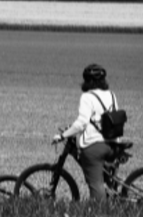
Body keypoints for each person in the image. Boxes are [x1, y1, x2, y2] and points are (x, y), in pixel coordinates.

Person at [51, 64, 118, 200]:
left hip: (95, 145)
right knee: (106, 181)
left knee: (95, 183)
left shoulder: (87, 97)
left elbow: (82, 123)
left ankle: (99, 215)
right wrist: (72, 127)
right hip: (113, 144)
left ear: (87, 81)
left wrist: (62, 135)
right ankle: (112, 199)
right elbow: (106, 118)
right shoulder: (111, 95)